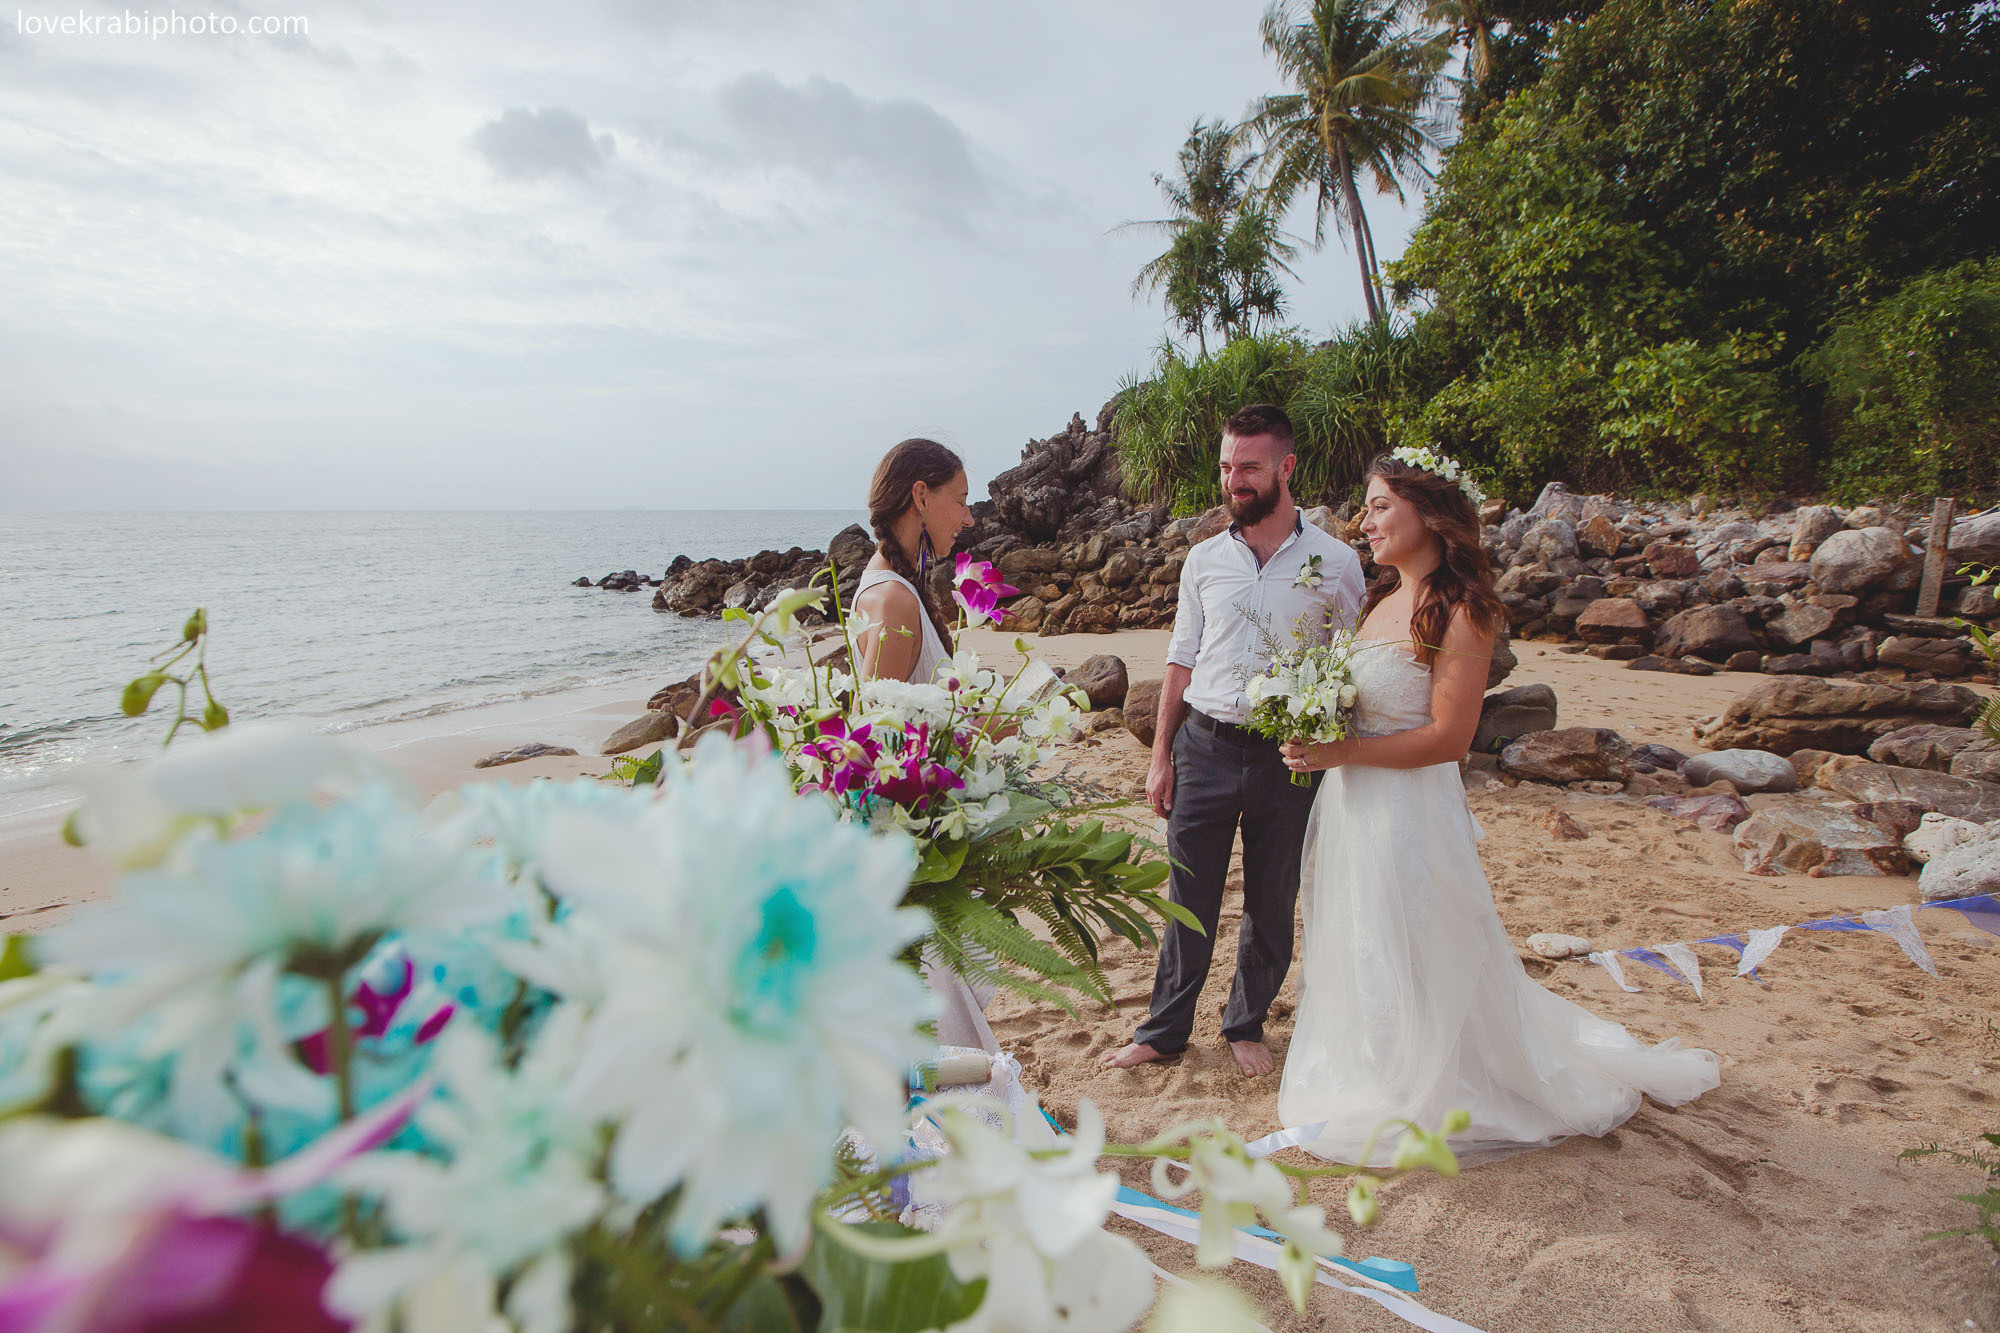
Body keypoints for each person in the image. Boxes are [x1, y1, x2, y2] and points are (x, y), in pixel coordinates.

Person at [1271, 450, 1719, 1163]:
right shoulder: (1379, 601)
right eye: (1367, 508)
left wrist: (1342, 751)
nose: (1365, 522)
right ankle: (1375, 1066)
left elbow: (1450, 739)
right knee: (1364, 934)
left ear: (1430, 514)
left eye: (1381, 506)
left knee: (1419, 937)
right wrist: (1317, 727)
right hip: (1355, 802)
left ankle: (1434, 1080)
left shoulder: (1464, 610)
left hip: (1410, 810)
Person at [1101, 403, 1365, 1077]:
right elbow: (1180, 658)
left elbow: (1348, 668)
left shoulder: (1337, 563)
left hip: (1288, 758)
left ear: (1286, 467)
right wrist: (1160, 755)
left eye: (1248, 467)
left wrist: (1329, 747)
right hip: (1205, 746)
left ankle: (1245, 1024)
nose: (1233, 481)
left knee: (1272, 900)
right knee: (1187, 897)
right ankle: (1164, 1031)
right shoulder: (1203, 560)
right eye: (1225, 467)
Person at [851, 437, 993, 1053]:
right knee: (938, 1031)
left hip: (924, 834)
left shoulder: (895, 588)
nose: (969, 517)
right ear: (920, 495)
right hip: (912, 849)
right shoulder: (892, 599)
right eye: (959, 499)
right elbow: (876, 741)